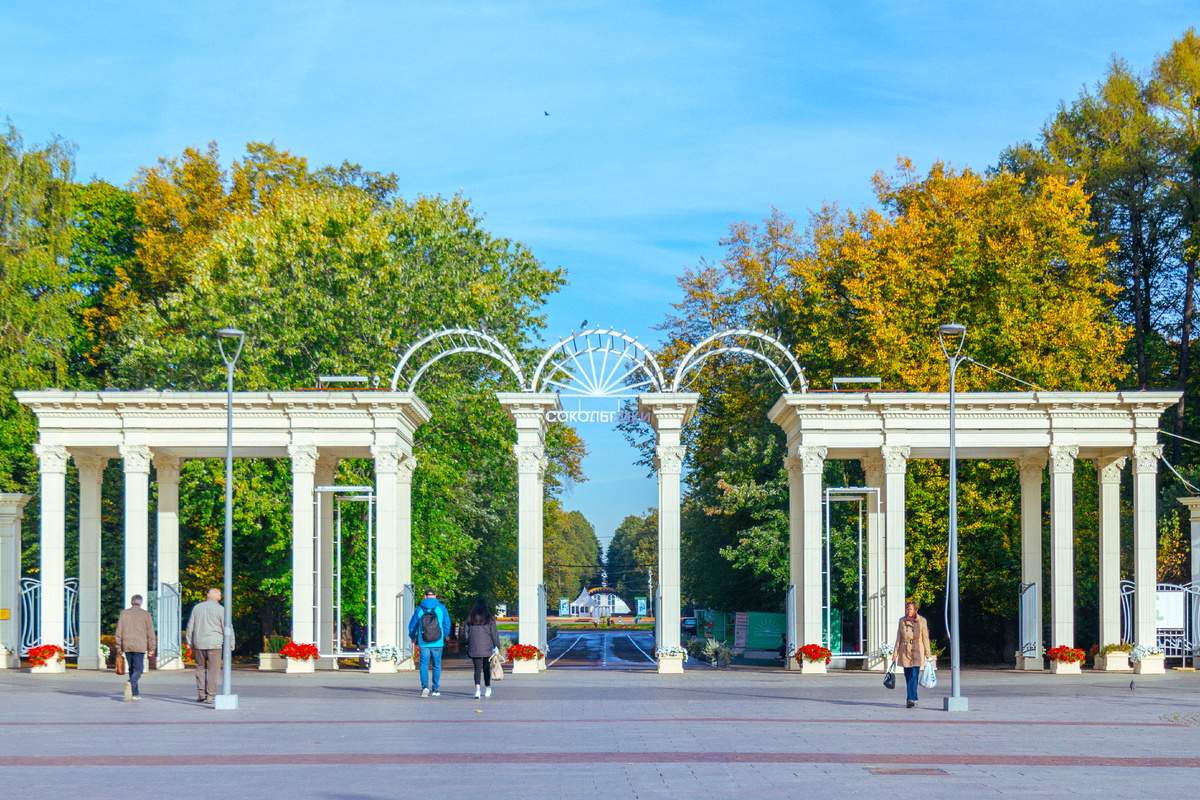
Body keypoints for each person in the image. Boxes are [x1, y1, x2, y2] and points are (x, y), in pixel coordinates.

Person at [185, 588, 228, 705]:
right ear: (219, 598)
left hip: (199, 642)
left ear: (208, 595)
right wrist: (230, 642)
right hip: (215, 643)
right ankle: (211, 695)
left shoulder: (197, 608)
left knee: (199, 667)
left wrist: (189, 641)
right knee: (213, 670)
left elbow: (191, 625)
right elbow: (227, 626)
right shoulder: (221, 609)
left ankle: (201, 694)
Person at [408, 588, 450, 697]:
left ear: (425, 596)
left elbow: (412, 625)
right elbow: (447, 624)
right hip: (438, 642)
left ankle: (425, 687)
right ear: (435, 596)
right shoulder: (441, 608)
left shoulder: (419, 609)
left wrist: (413, 637)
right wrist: (444, 636)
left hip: (423, 642)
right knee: (436, 665)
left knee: (423, 665)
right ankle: (435, 689)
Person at [114, 594, 156, 701]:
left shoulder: (124, 613)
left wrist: (119, 646)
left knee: (132, 668)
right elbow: (150, 632)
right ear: (140, 602)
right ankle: (131, 683)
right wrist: (151, 648)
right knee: (138, 669)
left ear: (131, 602)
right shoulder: (146, 614)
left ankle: (135, 693)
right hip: (140, 645)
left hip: (127, 645)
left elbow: (118, 631)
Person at [892, 599, 933, 708]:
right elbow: (898, 637)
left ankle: (910, 698)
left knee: (914, 675)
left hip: (917, 650)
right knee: (908, 675)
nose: (908, 611)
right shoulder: (902, 621)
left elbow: (925, 638)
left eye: (910, 609)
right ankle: (914, 697)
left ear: (915, 610)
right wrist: (895, 654)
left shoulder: (922, 621)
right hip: (905, 650)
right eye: (907, 608)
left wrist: (928, 654)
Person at [463, 598, 501, 699]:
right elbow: (494, 634)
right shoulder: (489, 619)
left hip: (474, 647)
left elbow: (465, 634)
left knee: (477, 669)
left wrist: (467, 643)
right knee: (486, 668)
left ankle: (477, 689)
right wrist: (497, 645)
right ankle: (487, 688)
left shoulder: (470, 619)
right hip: (487, 648)